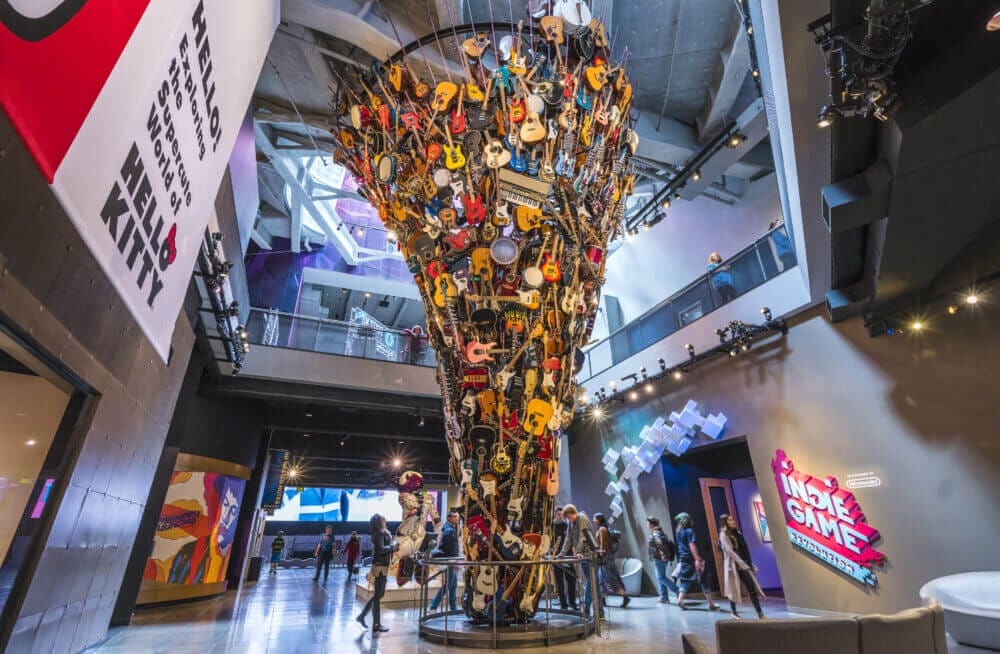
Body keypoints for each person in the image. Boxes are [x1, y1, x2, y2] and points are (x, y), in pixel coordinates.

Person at [718, 514, 766, 619]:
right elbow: (730, 552)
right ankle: (733, 611)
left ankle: (760, 614)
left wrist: (748, 563)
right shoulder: (723, 535)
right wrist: (742, 563)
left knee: (751, 588)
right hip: (733, 565)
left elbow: (744, 549)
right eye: (730, 520)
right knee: (733, 588)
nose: (733, 521)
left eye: (733, 519)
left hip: (742, 564)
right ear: (725, 522)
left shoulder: (738, 533)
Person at [558, 504, 602, 618]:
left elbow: (583, 537)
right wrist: (562, 553)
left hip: (590, 555)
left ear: (573, 513)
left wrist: (578, 551)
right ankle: (600, 612)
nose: (568, 520)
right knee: (594, 584)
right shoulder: (571, 523)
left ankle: (587, 609)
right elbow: (569, 538)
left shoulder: (582, 518)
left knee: (591, 583)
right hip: (583, 556)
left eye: (569, 517)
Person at [357, 514, 397, 635]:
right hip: (380, 566)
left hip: (381, 565)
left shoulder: (381, 532)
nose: (385, 520)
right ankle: (375, 623)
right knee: (378, 595)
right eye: (383, 519)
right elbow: (381, 549)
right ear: (379, 522)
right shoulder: (380, 533)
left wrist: (392, 547)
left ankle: (365, 617)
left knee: (379, 595)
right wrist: (393, 547)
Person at [674, 512, 719, 611]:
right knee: (704, 579)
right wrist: (697, 559)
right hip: (691, 558)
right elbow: (692, 545)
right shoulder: (689, 531)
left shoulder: (678, 531)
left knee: (685, 580)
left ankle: (680, 599)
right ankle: (711, 603)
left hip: (683, 558)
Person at [593, 513, 630, 608]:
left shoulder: (602, 529)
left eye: (595, 518)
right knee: (602, 579)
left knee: (610, 578)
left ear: (599, 520)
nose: (593, 520)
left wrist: (600, 555)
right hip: (609, 556)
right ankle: (603, 599)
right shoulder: (604, 528)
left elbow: (603, 545)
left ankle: (625, 596)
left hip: (605, 557)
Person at [428, 511, 460, 611]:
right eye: (454, 517)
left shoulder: (449, 528)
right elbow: (450, 548)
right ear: (449, 518)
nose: (456, 518)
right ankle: (433, 606)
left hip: (450, 560)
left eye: (457, 517)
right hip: (450, 560)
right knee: (448, 585)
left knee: (453, 585)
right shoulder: (449, 530)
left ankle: (453, 607)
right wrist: (454, 561)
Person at [551, 507, 578, 610]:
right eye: (558, 514)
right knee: (559, 582)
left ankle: (572, 602)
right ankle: (563, 604)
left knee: (571, 579)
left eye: (561, 514)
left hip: (568, 556)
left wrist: (574, 554)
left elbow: (571, 541)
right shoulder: (551, 526)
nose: (560, 516)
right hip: (556, 557)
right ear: (555, 514)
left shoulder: (567, 525)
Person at [647, 517, 678, 603]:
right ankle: (664, 597)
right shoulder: (659, 531)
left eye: (648, 523)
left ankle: (678, 591)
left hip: (659, 558)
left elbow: (659, 543)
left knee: (660, 578)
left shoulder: (655, 533)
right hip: (660, 558)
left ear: (652, 524)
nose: (647, 525)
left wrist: (662, 554)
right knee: (661, 577)